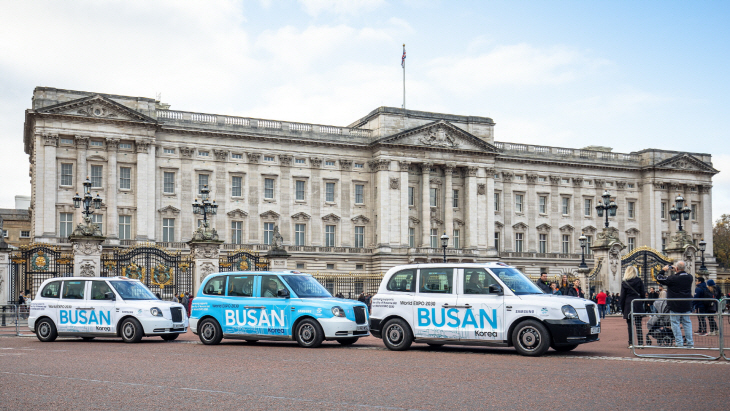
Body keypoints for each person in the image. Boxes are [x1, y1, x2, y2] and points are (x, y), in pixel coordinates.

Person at [655, 261, 694, 348]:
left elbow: (659, 278)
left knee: (675, 323)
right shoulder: (690, 277)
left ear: (676, 268)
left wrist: (663, 270)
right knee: (687, 323)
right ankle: (690, 343)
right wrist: (676, 270)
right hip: (686, 303)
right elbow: (681, 275)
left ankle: (679, 343)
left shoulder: (673, 278)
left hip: (675, 304)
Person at [619, 265, 645, 348]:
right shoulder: (639, 281)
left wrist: (622, 308)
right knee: (638, 325)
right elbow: (643, 294)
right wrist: (641, 303)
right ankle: (640, 343)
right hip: (637, 303)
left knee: (629, 325)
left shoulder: (624, 282)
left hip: (628, 304)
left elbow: (622, 297)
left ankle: (631, 343)